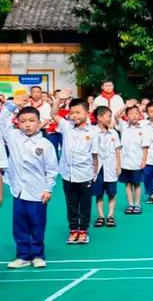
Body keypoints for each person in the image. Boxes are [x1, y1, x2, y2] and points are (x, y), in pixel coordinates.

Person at [1, 93, 58, 268]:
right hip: (18, 190)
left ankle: (38, 255)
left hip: (37, 192)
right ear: (18, 122)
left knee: (37, 224)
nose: (27, 124)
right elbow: (1, 122)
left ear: (39, 122)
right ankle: (23, 255)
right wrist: (11, 105)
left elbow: (52, 170)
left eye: (31, 120)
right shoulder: (13, 137)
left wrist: (48, 189)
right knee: (19, 225)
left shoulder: (45, 145)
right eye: (23, 120)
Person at [51, 90, 98, 245]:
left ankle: (83, 230)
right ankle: (73, 230)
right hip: (67, 173)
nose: (74, 115)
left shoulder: (92, 131)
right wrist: (58, 99)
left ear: (87, 112)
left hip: (85, 173)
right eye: (72, 113)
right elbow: (53, 114)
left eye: (78, 112)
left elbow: (95, 155)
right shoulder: (66, 126)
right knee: (71, 203)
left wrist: (95, 172)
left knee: (84, 204)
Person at [114, 101, 148, 214]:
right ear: (127, 116)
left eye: (136, 113)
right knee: (128, 184)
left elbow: (145, 146)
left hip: (137, 162)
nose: (134, 115)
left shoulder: (143, 128)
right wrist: (125, 106)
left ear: (140, 115)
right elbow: (115, 116)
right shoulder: (123, 126)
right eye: (131, 113)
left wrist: (144, 160)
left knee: (137, 184)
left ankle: (137, 205)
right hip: (125, 162)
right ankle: (131, 204)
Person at [91, 106, 122, 228]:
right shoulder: (92, 132)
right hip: (97, 168)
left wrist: (119, 165)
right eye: (108, 116)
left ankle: (110, 215)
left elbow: (117, 150)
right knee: (98, 193)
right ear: (99, 118)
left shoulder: (113, 132)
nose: (110, 119)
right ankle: (100, 216)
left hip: (111, 166)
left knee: (111, 193)